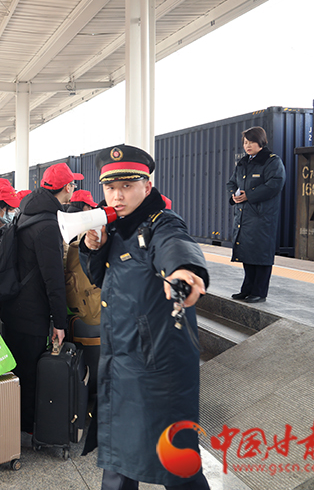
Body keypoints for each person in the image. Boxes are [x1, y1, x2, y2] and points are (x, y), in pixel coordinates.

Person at [80, 144, 210, 490]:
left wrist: (183, 271)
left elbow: (173, 244)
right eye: (110, 187)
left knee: (176, 460)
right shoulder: (117, 227)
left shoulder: (160, 223)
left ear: (147, 186)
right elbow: (101, 278)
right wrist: (93, 249)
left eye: (127, 186)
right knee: (119, 458)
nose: (117, 196)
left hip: (157, 363)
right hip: (122, 358)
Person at [0, 163, 79, 436]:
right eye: (73, 185)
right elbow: (53, 279)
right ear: (67, 187)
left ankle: (14, 422)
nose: (73, 189)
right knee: (29, 372)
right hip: (31, 311)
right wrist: (60, 322)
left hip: (14, 303)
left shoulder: (26, 212)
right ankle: (24, 427)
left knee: (17, 369)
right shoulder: (47, 224)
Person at [226, 126, 286, 304]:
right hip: (244, 216)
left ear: (261, 142)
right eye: (245, 142)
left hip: (262, 216)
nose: (247, 145)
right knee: (247, 252)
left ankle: (259, 292)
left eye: (251, 142)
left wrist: (249, 195)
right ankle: (247, 289)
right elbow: (231, 182)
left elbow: (275, 184)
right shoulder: (243, 162)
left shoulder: (271, 161)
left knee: (261, 254)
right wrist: (234, 195)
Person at [63, 190, 101, 325]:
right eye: (89, 207)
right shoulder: (84, 227)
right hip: (82, 293)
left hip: (67, 288)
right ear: (83, 206)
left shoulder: (63, 220)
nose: (91, 210)